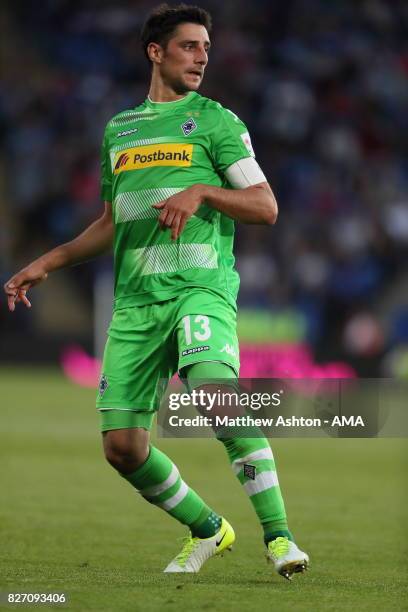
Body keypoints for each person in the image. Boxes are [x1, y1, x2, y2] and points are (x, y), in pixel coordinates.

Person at [4, 3, 309, 579]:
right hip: (136, 303)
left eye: (206, 49)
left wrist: (203, 191)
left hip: (200, 288)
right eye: (189, 46)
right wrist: (49, 261)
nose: (201, 58)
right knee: (121, 447)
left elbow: (265, 206)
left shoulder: (218, 122)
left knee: (217, 394)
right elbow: (115, 219)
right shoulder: (120, 130)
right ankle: (209, 529)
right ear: (156, 52)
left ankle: (280, 538)